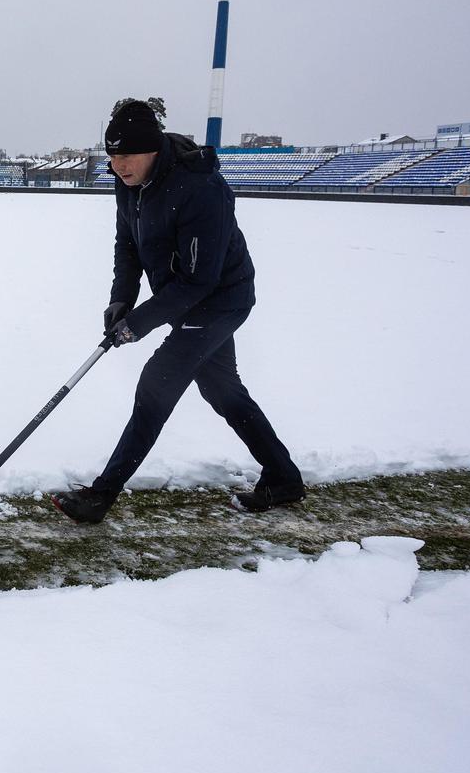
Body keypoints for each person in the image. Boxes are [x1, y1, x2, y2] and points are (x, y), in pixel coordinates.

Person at [51, 99, 303, 523]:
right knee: (223, 391)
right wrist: (121, 300)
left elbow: (200, 278)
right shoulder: (129, 181)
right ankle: (284, 477)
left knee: (155, 386)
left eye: (127, 155)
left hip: (220, 299)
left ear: (153, 149)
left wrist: (140, 323)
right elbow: (127, 244)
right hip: (179, 298)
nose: (119, 165)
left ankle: (101, 496)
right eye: (112, 156)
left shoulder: (200, 187)